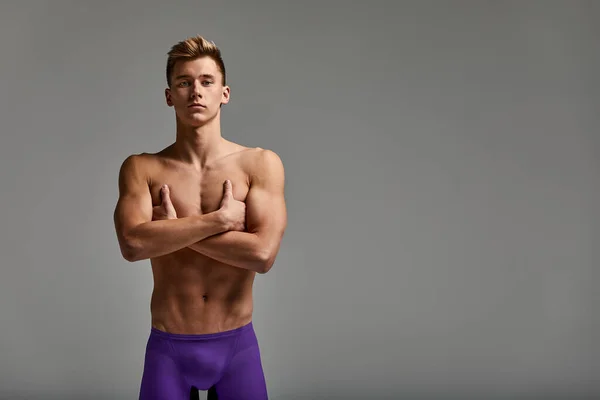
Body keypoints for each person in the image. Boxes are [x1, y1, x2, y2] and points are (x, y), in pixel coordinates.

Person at [113, 35, 287, 400]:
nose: (196, 91)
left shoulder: (259, 164)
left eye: (207, 81)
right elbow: (131, 244)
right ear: (168, 95)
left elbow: (262, 256)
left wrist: (169, 230)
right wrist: (219, 221)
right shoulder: (142, 168)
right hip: (168, 347)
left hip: (236, 344)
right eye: (184, 82)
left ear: (224, 93)